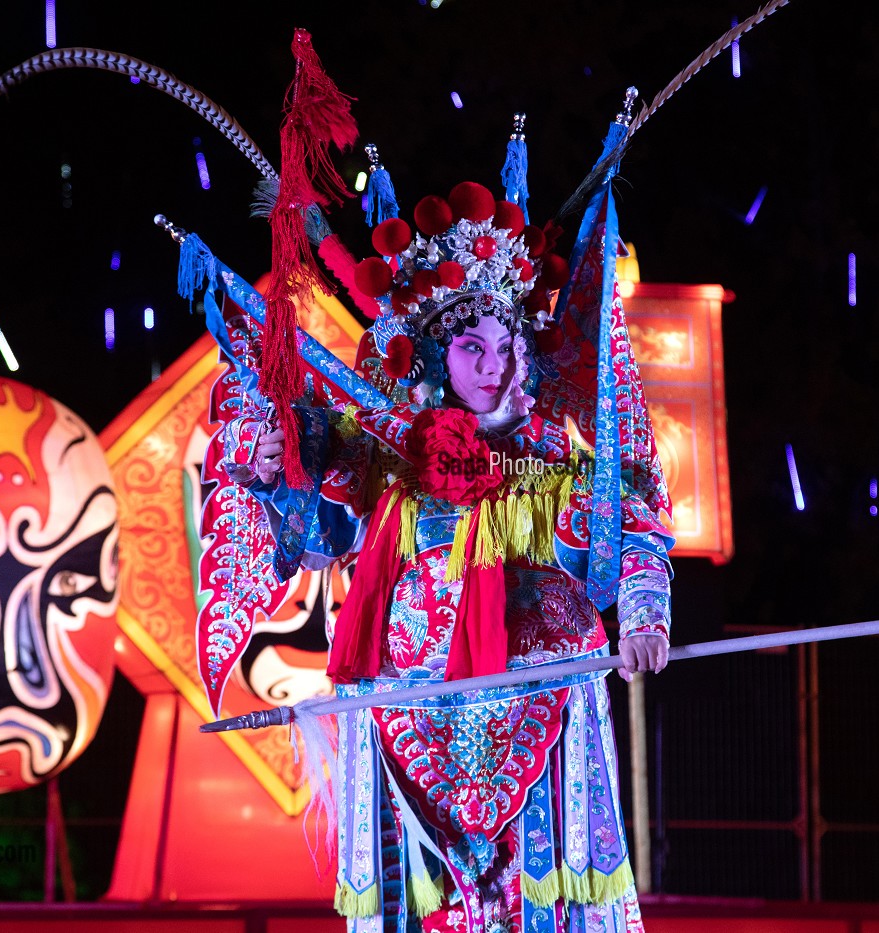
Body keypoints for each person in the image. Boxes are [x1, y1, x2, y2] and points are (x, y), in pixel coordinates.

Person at [234, 180, 674, 933]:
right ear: (438, 353)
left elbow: (636, 533)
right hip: (411, 711)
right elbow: (317, 518)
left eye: (506, 346)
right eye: (473, 346)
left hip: (540, 703)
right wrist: (277, 462)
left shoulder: (557, 459)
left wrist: (643, 617)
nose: (494, 365)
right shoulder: (391, 453)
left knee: (539, 904)